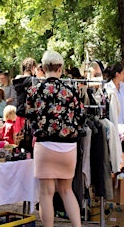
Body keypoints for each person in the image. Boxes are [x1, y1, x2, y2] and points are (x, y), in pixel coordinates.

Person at [25, 50, 85, 227]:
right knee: (67, 191)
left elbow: (29, 117)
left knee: (46, 193)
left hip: (45, 146)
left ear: (43, 68)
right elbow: (81, 117)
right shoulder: (71, 90)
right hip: (68, 148)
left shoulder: (35, 90)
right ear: (61, 68)